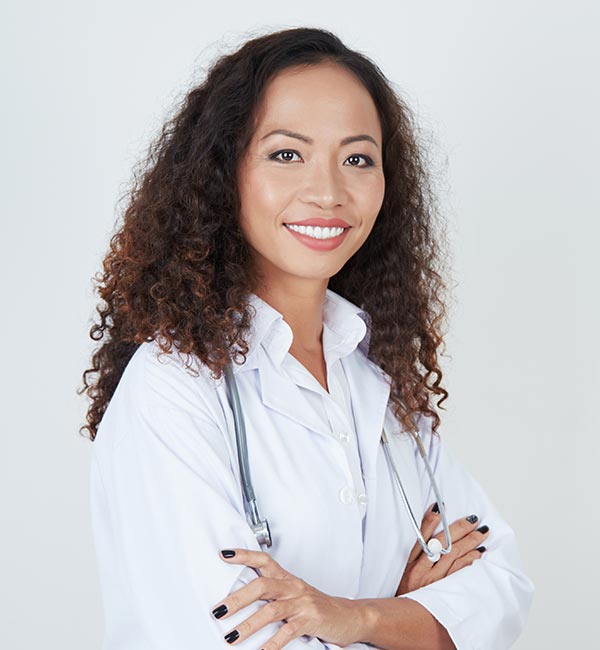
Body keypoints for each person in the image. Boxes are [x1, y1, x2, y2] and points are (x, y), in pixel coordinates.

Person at [79, 27, 534, 650]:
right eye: (287, 154)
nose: (327, 192)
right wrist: (409, 617)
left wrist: (356, 618)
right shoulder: (172, 388)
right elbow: (239, 638)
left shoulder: (377, 379)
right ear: (224, 173)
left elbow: (502, 587)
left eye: (358, 159)